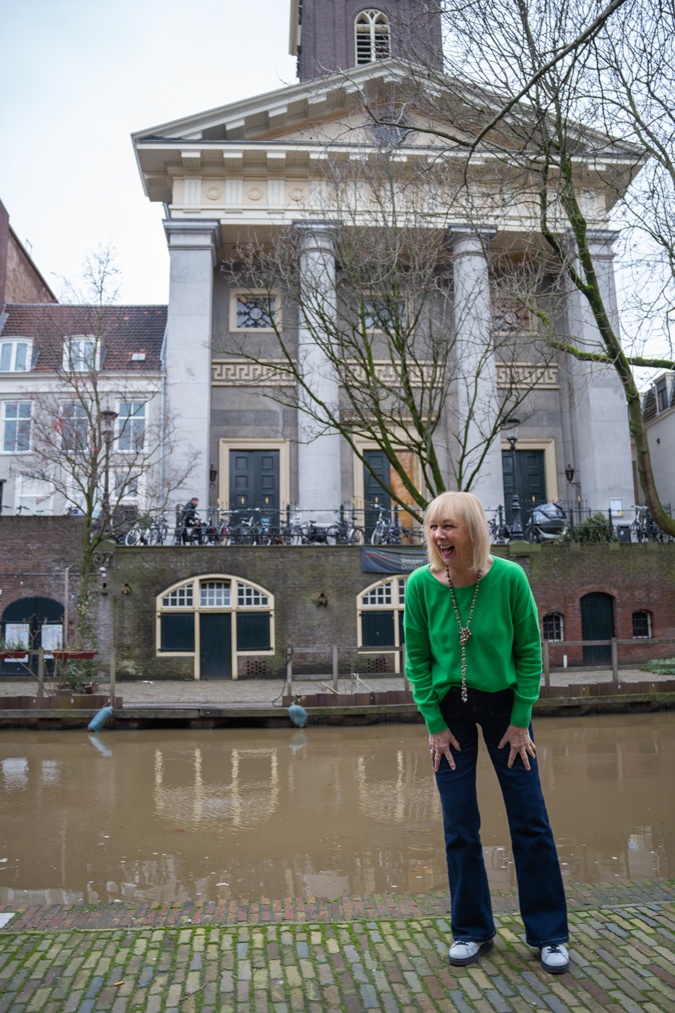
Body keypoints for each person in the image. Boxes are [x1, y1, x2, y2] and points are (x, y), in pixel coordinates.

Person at [403, 490, 569, 974]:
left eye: (448, 526)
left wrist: (521, 719)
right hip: (448, 710)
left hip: (506, 710)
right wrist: (433, 724)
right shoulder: (420, 584)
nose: (438, 536)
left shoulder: (510, 578)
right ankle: (472, 931)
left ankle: (549, 933)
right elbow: (416, 659)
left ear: (472, 528)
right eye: (433, 527)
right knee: (459, 825)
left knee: (530, 819)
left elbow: (530, 652)